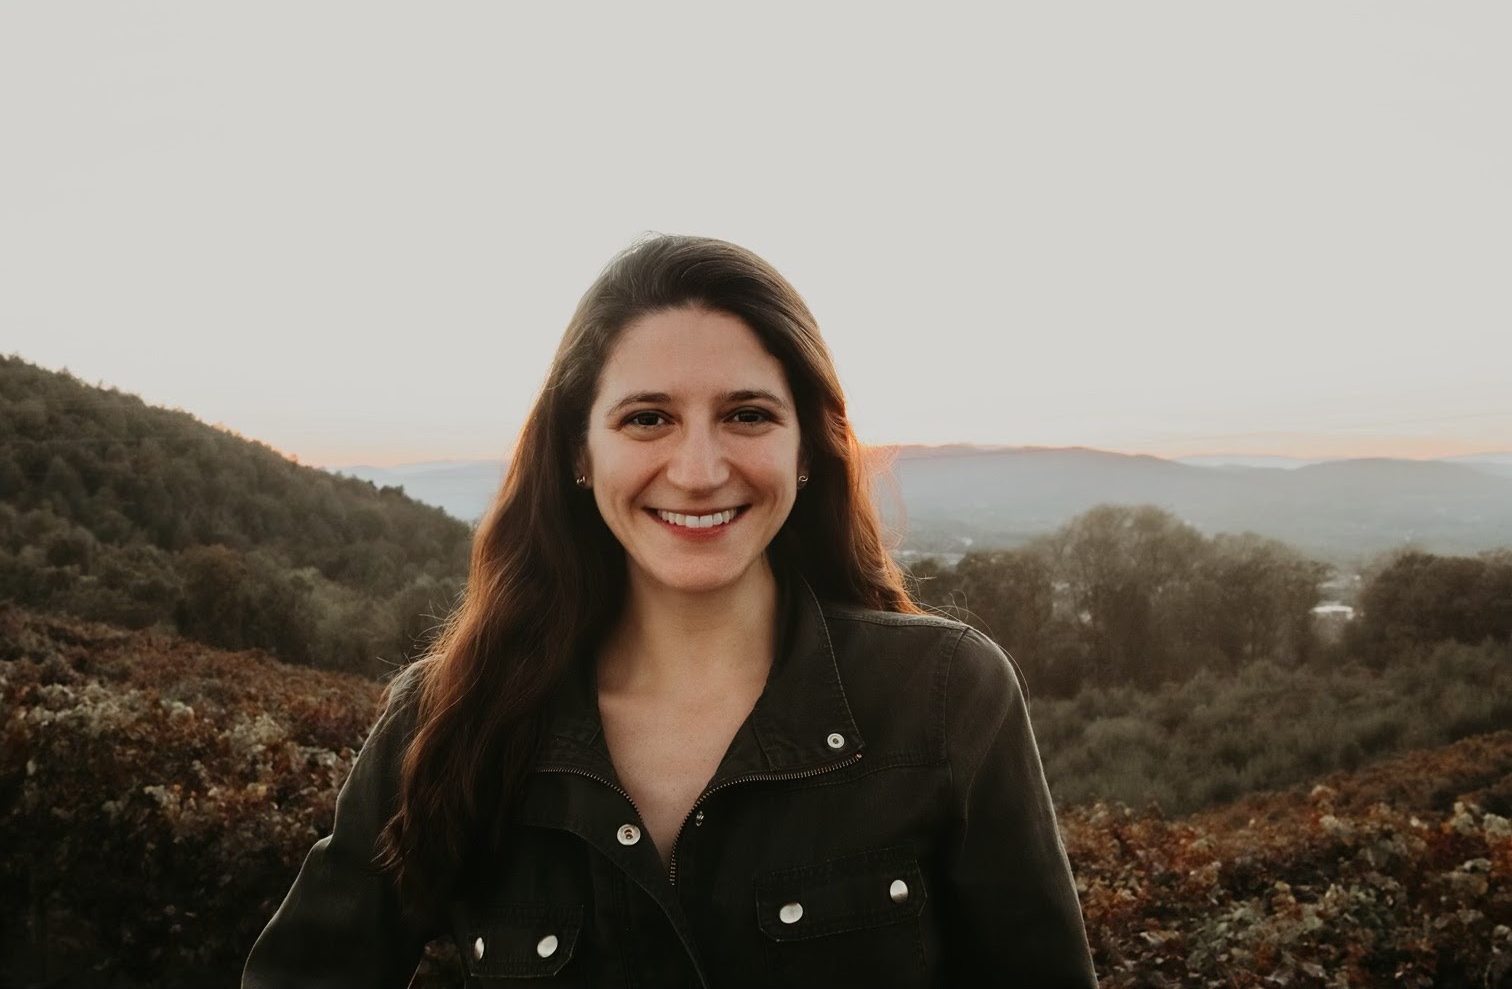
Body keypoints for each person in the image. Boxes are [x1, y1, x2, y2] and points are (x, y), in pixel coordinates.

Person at [243, 235, 1098, 987]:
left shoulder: (945, 698)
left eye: (747, 415)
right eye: (647, 418)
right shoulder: (452, 718)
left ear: (807, 450)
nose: (696, 469)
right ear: (581, 452)